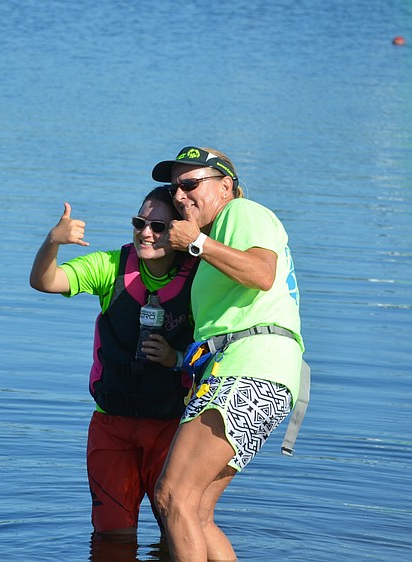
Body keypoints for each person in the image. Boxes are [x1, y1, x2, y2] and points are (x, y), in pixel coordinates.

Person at [150, 146, 304, 562]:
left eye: (190, 184)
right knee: (195, 511)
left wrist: (197, 242)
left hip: (249, 371)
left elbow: (260, 274)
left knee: (172, 496)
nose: (180, 195)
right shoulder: (221, 234)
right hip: (264, 375)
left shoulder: (242, 213)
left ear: (226, 186)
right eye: (173, 187)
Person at [29, 185, 199, 537]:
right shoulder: (109, 266)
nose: (146, 233)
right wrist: (53, 242)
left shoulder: (201, 277)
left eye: (159, 227)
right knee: (112, 535)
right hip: (111, 423)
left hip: (171, 425)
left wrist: (177, 358)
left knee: (178, 529)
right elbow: (44, 281)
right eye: (139, 223)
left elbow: (223, 342)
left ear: (181, 231)